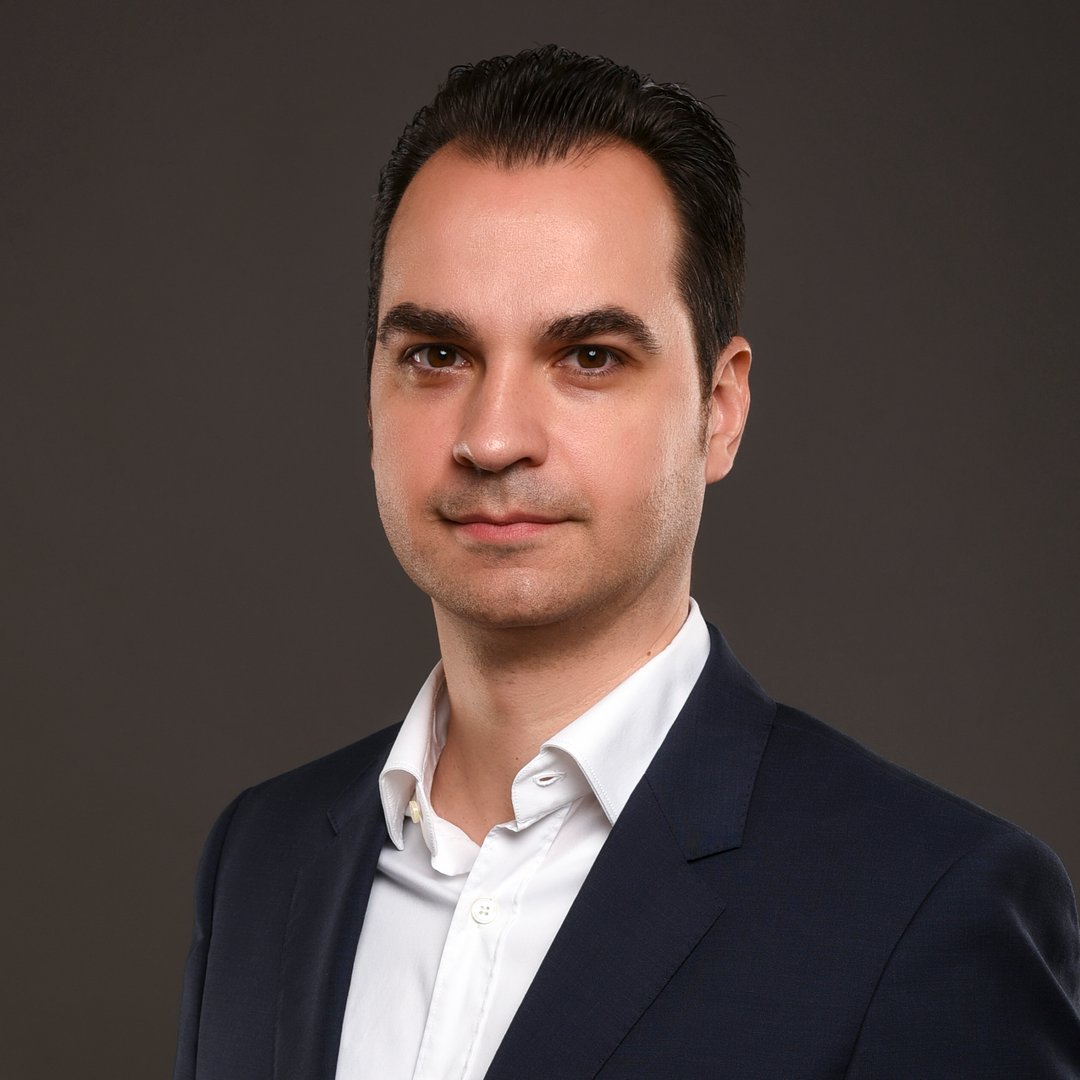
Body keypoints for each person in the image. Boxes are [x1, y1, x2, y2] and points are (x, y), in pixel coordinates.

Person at [174, 45, 1080, 1079]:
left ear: (720, 409)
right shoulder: (263, 858)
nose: (494, 436)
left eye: (589, 357)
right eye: (437, 354)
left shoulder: (930, 905)